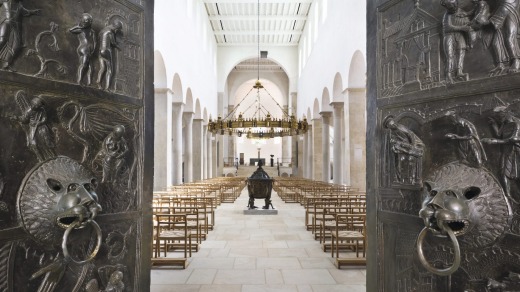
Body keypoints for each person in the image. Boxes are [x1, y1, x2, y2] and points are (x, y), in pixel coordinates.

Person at [482, 106, 520, 203]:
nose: (499, 118)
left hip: (516, 151)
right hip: (506, 151)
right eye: (497, 117)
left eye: (501, 116)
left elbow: (514, 139)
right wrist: (494, 125)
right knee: (503, 173)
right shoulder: (504, 124)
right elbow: (499, 135)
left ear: (507, 113)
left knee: (517, 174)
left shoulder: (516, 123)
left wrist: (495, 141)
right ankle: (508, 195)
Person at [471, 0, 520, 75]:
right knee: (496, 42)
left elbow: (504, 8)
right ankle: (500, 64)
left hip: (509, 12)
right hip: (500, 13)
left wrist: (485, 22)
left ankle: (516, 60)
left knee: (509, 38)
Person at [15, 91, 56, 161]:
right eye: (33, 104)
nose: (34, 106)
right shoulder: (29, 111)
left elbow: (44, 119)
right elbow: (25, 119)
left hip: (42, 128)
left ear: (39, 106)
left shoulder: (42, 111)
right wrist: (17, 118)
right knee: (34, 144)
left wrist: (38, 123)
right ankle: (41, 159)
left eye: (37, 105)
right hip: (33, 129)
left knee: (46, 142)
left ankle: (53, 156)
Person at [0, 0, 40, 70]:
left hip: (15, 26)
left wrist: (34, 12)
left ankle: (6, 63)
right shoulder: (4, 2)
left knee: (16, 46)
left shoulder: (19, 6)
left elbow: (26, 12)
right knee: (2, 40)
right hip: (5, 23)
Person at [384, 116, 424, 184]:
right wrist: (395, 143)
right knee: (398, 157)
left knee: (411, 158)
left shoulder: (400, 127)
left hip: (412, 144)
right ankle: (400, 179)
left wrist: (412, 145)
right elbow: (394, 140)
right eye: (389, 125)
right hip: (403, 146)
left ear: (393, 123)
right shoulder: (392, 132)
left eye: (391, 124)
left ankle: (412, 179)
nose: (391, 125)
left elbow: (410, 134)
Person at [440, 0, 472, 83]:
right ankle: (448, 75)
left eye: (454, 5)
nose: (454, 8)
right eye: (451, 7)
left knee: (461, 52)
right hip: (449, 35)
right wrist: (461, 28)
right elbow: (447, 28)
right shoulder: (446, 15)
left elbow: (468, 28)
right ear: (447, 7)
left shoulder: (462, 13)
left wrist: (469, 42)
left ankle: (459, 72)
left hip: (460, 35)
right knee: (450, 56)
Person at [69, 13, 96, 85]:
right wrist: (78, 26)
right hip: (85, 49)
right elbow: (71, 30)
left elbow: (95, 42)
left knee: (90, 67)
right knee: (84, 65)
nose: (89, 22)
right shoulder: (81, 30)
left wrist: (93, 50)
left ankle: (89, 82)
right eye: (87, 21)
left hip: (86, 50)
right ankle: (79, 81)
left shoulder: (92, 32)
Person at [97, 20, 123, 90]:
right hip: (107, 51)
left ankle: (98, 83)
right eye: (117, 29)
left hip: (100, 51)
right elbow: (113, 43)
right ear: (116, 27)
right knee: (110, 70)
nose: (116, 30)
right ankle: (107, 88)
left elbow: (98, 38)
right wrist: (119, 47)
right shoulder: (110, 32)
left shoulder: (102, 31)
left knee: (102, 67)